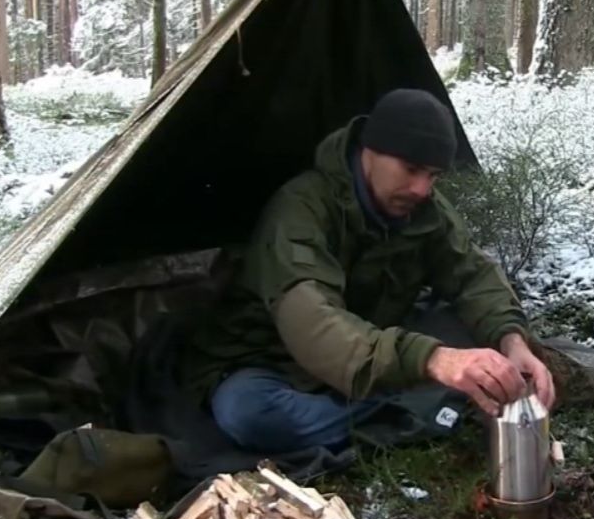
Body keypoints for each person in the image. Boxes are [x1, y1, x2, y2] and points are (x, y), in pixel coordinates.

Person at [182, 88, 556, 455]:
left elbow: (471, 273)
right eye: (411, 169)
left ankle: (401, 400)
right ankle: (410, 404)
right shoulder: (301, 209)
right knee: (250, 416)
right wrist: (433, 360)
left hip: (373, 348)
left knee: (480, 340)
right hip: (274, 362)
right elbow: (315, 327)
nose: (423, 189)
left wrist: (511, 341)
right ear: (369, 150)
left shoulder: (422, 208)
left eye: (433, 175)